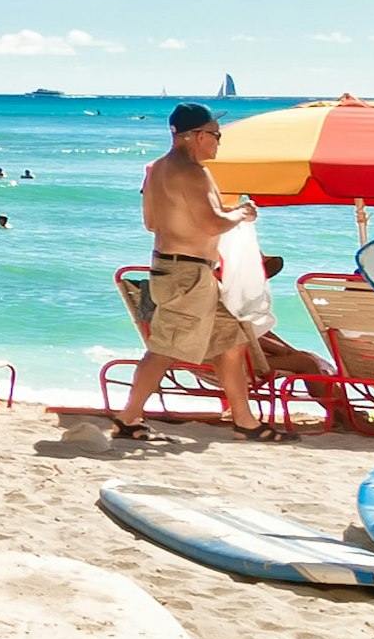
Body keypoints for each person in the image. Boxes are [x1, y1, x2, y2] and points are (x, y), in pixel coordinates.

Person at [111, 103, 285, 439]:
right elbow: (211, 224)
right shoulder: (194, 172)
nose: (218, 142)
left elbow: (151, 223)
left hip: (175, 269)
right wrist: (243, 213)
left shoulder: (157, 169)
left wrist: (223, 214)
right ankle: (127, 418)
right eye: (216, 136)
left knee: (231, 341)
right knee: (164, 348)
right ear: (197, 136)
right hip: (188, 274)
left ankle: (244, 421)